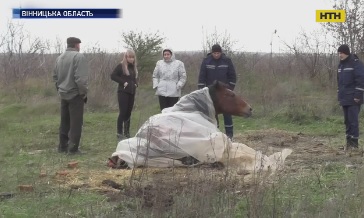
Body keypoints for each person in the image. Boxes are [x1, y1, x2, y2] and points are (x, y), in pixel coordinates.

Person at [53, 37, 89, 154]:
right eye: (79, 44)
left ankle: (62, 146)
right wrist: (83, 93)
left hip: (63, 94)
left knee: (64, 121)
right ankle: (73, 149)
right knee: (76, 123)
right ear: (76, 45)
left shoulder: (59, 58)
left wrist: (60, 90)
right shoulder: (79, 57)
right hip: (75, 94)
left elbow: (55, 77)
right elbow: (81, 79)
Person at [198, 44, 237, 140]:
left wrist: (229, 89)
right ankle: (215, 135)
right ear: (211, 52)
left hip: (224, 92)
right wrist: (202, 90)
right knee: (213, 114)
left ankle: (229, 136)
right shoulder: (206, 61)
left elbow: (233, 76)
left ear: (221, 52)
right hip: (211, 92)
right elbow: (202, 77)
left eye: (218, 53)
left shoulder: (227, 61)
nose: (216, 55)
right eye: (214, 53)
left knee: (227, 113)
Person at [337, 44, 364, 153]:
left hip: (354, 98)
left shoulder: (355, 63)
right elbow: (339, 83)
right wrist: (339, 96)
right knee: (347, 121)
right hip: (344, 98)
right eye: (339, 53)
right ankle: (348, 144)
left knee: (353, 121)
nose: (340, 55)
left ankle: (354, 145)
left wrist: (358, 95)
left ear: (346, 53)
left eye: (341, 53)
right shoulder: (340, 65)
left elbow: (361, 80)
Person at [111, 49, 139, 141]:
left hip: (131, 92)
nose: (131, 59)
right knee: (122, 113)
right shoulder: (121, 66)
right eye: (129, 57)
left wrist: (136, 84)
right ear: (126, 57)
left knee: (128, 113)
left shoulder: (133, 67)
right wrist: (123, 82)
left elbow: (134, 78)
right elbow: (113, 76)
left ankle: (127, 133)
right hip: (123, 92)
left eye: (132, 57)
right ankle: (119, 134)